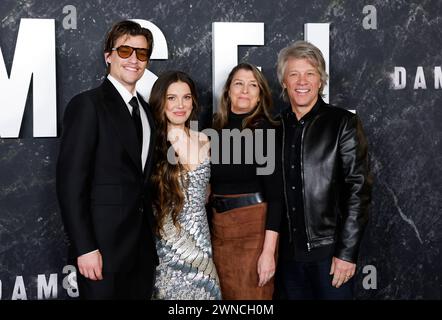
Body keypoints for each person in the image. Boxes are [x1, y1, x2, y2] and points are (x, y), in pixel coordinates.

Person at [56, 20, 157, 299]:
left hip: (141, 254)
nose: (134, 60)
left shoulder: (147, 112)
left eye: (142, 53)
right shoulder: (87, 105)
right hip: (101, 253)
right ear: (108, 56)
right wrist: (85, 248)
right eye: (125, 51)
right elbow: (70, 184)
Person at [274, 40, 373, 299]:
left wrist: (346, 253)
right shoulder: (274, 127)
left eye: (310, 73)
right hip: (285, 262)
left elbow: (358, 190)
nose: (301, 81)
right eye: (293, 74)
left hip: (329, 259)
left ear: (321, 80)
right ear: (284, 82)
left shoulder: (343, 123)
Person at [210, 63, 283, 299]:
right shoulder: (214, 128)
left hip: (253, 233)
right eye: (239, 83)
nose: (245, 90)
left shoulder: (266, 132)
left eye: (253, 85)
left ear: (260, 94)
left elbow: (276, 197)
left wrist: (268, 252)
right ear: (228, 90)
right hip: (217, 231)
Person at [149, 71, 222, 300]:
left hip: (201, 246)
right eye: (172, 98)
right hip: (166, 249)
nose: (180, 105)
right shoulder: (151, 143)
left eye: (186, 97)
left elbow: (204, 190)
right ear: (161, 101)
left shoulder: (205, 139)